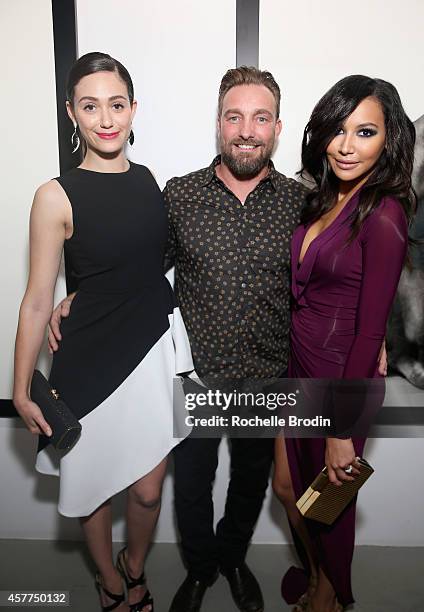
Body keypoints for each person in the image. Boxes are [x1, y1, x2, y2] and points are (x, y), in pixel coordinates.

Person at [47, 68, 388, 612]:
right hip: (196, 373)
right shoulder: (178, 196)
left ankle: (233, 559)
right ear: (219, 124)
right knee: (190, 490)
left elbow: (340, 276)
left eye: (259, 118)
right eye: (235, 116)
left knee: (253, 487)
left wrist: (376, 337)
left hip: (269, 376)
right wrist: (77, 297)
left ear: (277, 128)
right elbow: (133, 270)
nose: (246, 130)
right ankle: (200, 570)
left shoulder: (304, 202)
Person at [13, 52, 193, 612]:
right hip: (88, 360)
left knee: (146, 488)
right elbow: (38, 297)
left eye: (117, 104)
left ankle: (133, 567)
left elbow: (143, 263)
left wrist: (83, 292)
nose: (106, 118)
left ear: (134, 110)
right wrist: (21, 389)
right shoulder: (54, 195)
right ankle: (110, 585)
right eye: (90, 106)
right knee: (92, 491)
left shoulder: (148, 181)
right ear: (72, 113)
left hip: (149, 348)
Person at [272, 75, 416, 612]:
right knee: (289, 488)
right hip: (302, 368)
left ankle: (328, 595)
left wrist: (342, 433)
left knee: (328, 506)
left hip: (343, 380)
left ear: (389, 138)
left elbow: (369, 332)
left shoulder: (385, 214)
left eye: (365, 131)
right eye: (338, 129)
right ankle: (316, 574)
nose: (346, 145)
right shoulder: (326, 196)